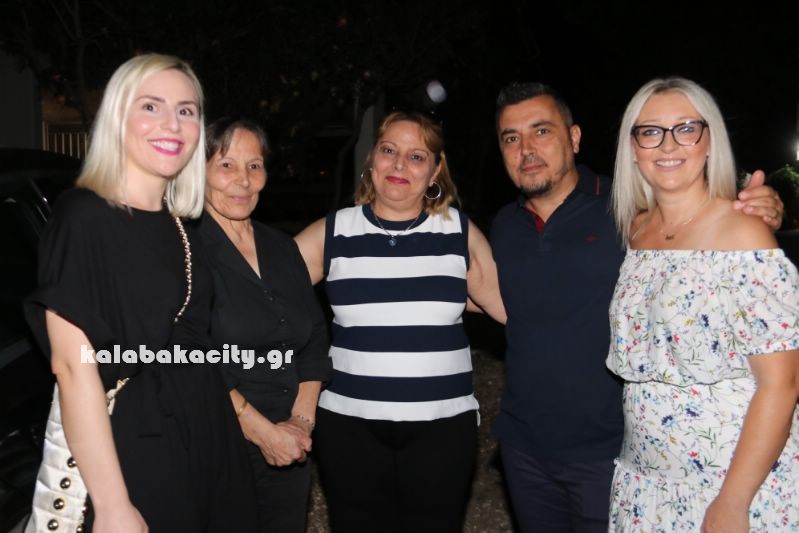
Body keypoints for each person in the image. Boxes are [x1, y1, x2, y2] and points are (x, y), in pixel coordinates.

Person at [489, 81, 785, 532]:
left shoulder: (624, 212)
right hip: (534, 451)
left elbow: (699, 226)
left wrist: (759, 210)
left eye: (542, 131)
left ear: (574, 137)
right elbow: (494, 294)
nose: (526, 148)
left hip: (612, 453)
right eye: (511, 137)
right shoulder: (507, 225)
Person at [23, 54, 257, 532]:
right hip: (137, 447)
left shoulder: (182, 227)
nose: (172, 123)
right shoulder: (84, 217)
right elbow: (74, 368)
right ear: (117, 118)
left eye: (186, 110)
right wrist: (112, 505)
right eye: (151, 106)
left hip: (206, 437)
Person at [294, 111, 506, 532]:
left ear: (435, 171)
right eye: (389, 150)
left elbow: (509, 307)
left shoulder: (458, 232)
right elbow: (262, 293)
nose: (399, 165)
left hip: (443, 429)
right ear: (372, 159)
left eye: (416, 156)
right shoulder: (333, 232)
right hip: (349, 427)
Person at [606, 77, 799, 532]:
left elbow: (782, 383)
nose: (668, 144)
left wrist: (732, 502)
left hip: (727, 486)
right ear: (632, 148)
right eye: (650, 131)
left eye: (686, 128)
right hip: (646, 486)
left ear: (710, 141)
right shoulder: (637, 231)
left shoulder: (743, 233)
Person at [196, 117, 331, 532]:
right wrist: (262, 433)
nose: (243, 180)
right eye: (226, 165)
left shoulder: (281, 247)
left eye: (254, 166)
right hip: (218, 442)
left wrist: (300, 423)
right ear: (197, 171)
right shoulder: (183, 248)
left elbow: (314, 338)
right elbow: (189, 354)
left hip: (289, 442)